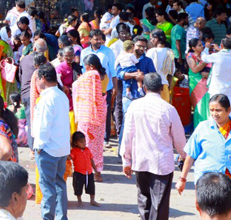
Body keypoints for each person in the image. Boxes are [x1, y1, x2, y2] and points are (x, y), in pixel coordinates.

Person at [120, 73, 186, 220]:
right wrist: (184, 157)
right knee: (159, 205)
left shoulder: (134, 106)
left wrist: (127, 160)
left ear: (144, 88)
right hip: (161, 164)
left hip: (141, 161)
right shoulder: (168, 109)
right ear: (162, 88)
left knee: (144, 201)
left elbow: (127, 136)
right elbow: (180, 140)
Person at [31, 63, 71, 220]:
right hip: (61, 148)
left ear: (42, 78)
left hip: (48, 148)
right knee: (59, 185)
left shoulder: (46, 98)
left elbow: (43, 126)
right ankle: (62, 217)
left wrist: (39, 147)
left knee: (47, 187)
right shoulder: (61, 95)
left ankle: (48, 217)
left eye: (36, 80)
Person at [177, 93, 231, 194]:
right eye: (211, 110)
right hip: (206, 181)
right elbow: (191, 155)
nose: (214, 114)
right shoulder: (203, 128)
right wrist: (182, 179)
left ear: (228, 110)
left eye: (218, 110)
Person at [71, 54, 107, 177]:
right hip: (99, 113)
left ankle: (90, 171)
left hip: (88, 115)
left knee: (86, 145)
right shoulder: (102, 75)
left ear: (90, 66)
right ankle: (97, 171)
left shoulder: (92, 75)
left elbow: (76, 85)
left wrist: (79, 80)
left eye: (85, 66)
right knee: (97, 145)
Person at [70, 131, 99, 207]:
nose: (84, 143)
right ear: (76, 143)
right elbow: (70, 157)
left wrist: (95, 170)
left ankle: (92, 200)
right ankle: (79, 200)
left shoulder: (87, 150)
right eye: (81, 142)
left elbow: (91, 160)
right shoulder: (74, 151)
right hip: (78, 173)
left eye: (84, 141)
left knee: (91, 187)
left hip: (89, 172)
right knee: (78, 188)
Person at [188, 38, 212, 126]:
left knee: (206, 105)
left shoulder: (204, 55)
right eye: (199, 45)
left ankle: (207, 126)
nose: (202, 46)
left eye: (202, 45)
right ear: (193, 48)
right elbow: (194, 69)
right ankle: (199, 127)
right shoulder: (190, 56)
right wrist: (205, 62)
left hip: (205, 83)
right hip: (195, 83)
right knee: (199, 106)